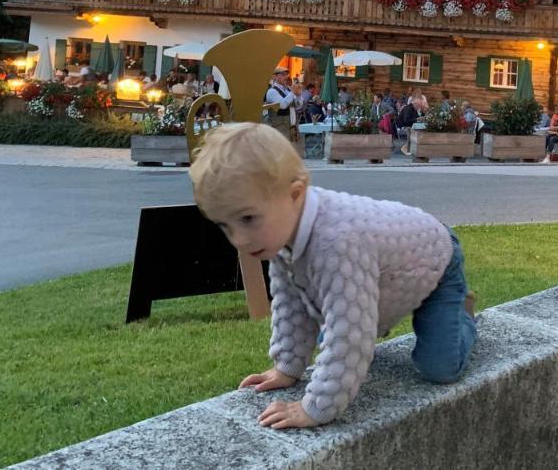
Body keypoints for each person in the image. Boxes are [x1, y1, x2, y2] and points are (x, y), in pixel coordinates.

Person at [189, 123, 477, 429]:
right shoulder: (279, 233)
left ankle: (462, 314)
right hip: (385, 275)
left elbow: (350, 334)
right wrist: (287, 367)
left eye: (248, 218)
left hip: (436, 260)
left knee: (438, 368)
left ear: (295, 195)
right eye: (225, 226)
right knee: (336, 335)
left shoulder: (337, 241)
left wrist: (316, 408)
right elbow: (291, 302)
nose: (239, 240)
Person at [265, 67, 297, 139]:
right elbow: (282, 105)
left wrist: (299, 95)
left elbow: (297, 105)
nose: (286, 77)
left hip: (291, 126)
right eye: (282, 74)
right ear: (275, 76)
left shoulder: (287, 90)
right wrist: (293, 92)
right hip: (280, 128)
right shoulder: (272, 91)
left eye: (286, 74)